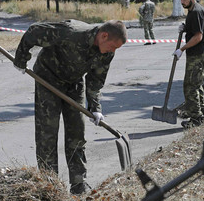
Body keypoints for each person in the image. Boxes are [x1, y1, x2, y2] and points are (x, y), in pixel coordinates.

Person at [12, 19, 127, 195]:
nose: (113, 51)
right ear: (104, 36)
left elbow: (96, 80)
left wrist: (95, 107)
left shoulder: (107, 52)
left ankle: (79, 183)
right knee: (47, 134)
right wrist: (21, 58)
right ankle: (50, 185)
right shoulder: (71, 32)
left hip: (73, 83)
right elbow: (33, 32)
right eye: (113, 46)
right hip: (47, 78)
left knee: (77, 133)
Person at [173, 0, 204, 129]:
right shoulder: (195, 10)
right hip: (200, 54)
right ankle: (202, 114)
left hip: (197, 54)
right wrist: (186, 28)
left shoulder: (195, 12)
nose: (182, 2)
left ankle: (196, 118)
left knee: (190, 87)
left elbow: (198, 36)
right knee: (197, 84)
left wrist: (181, 49)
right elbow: (196, 30)